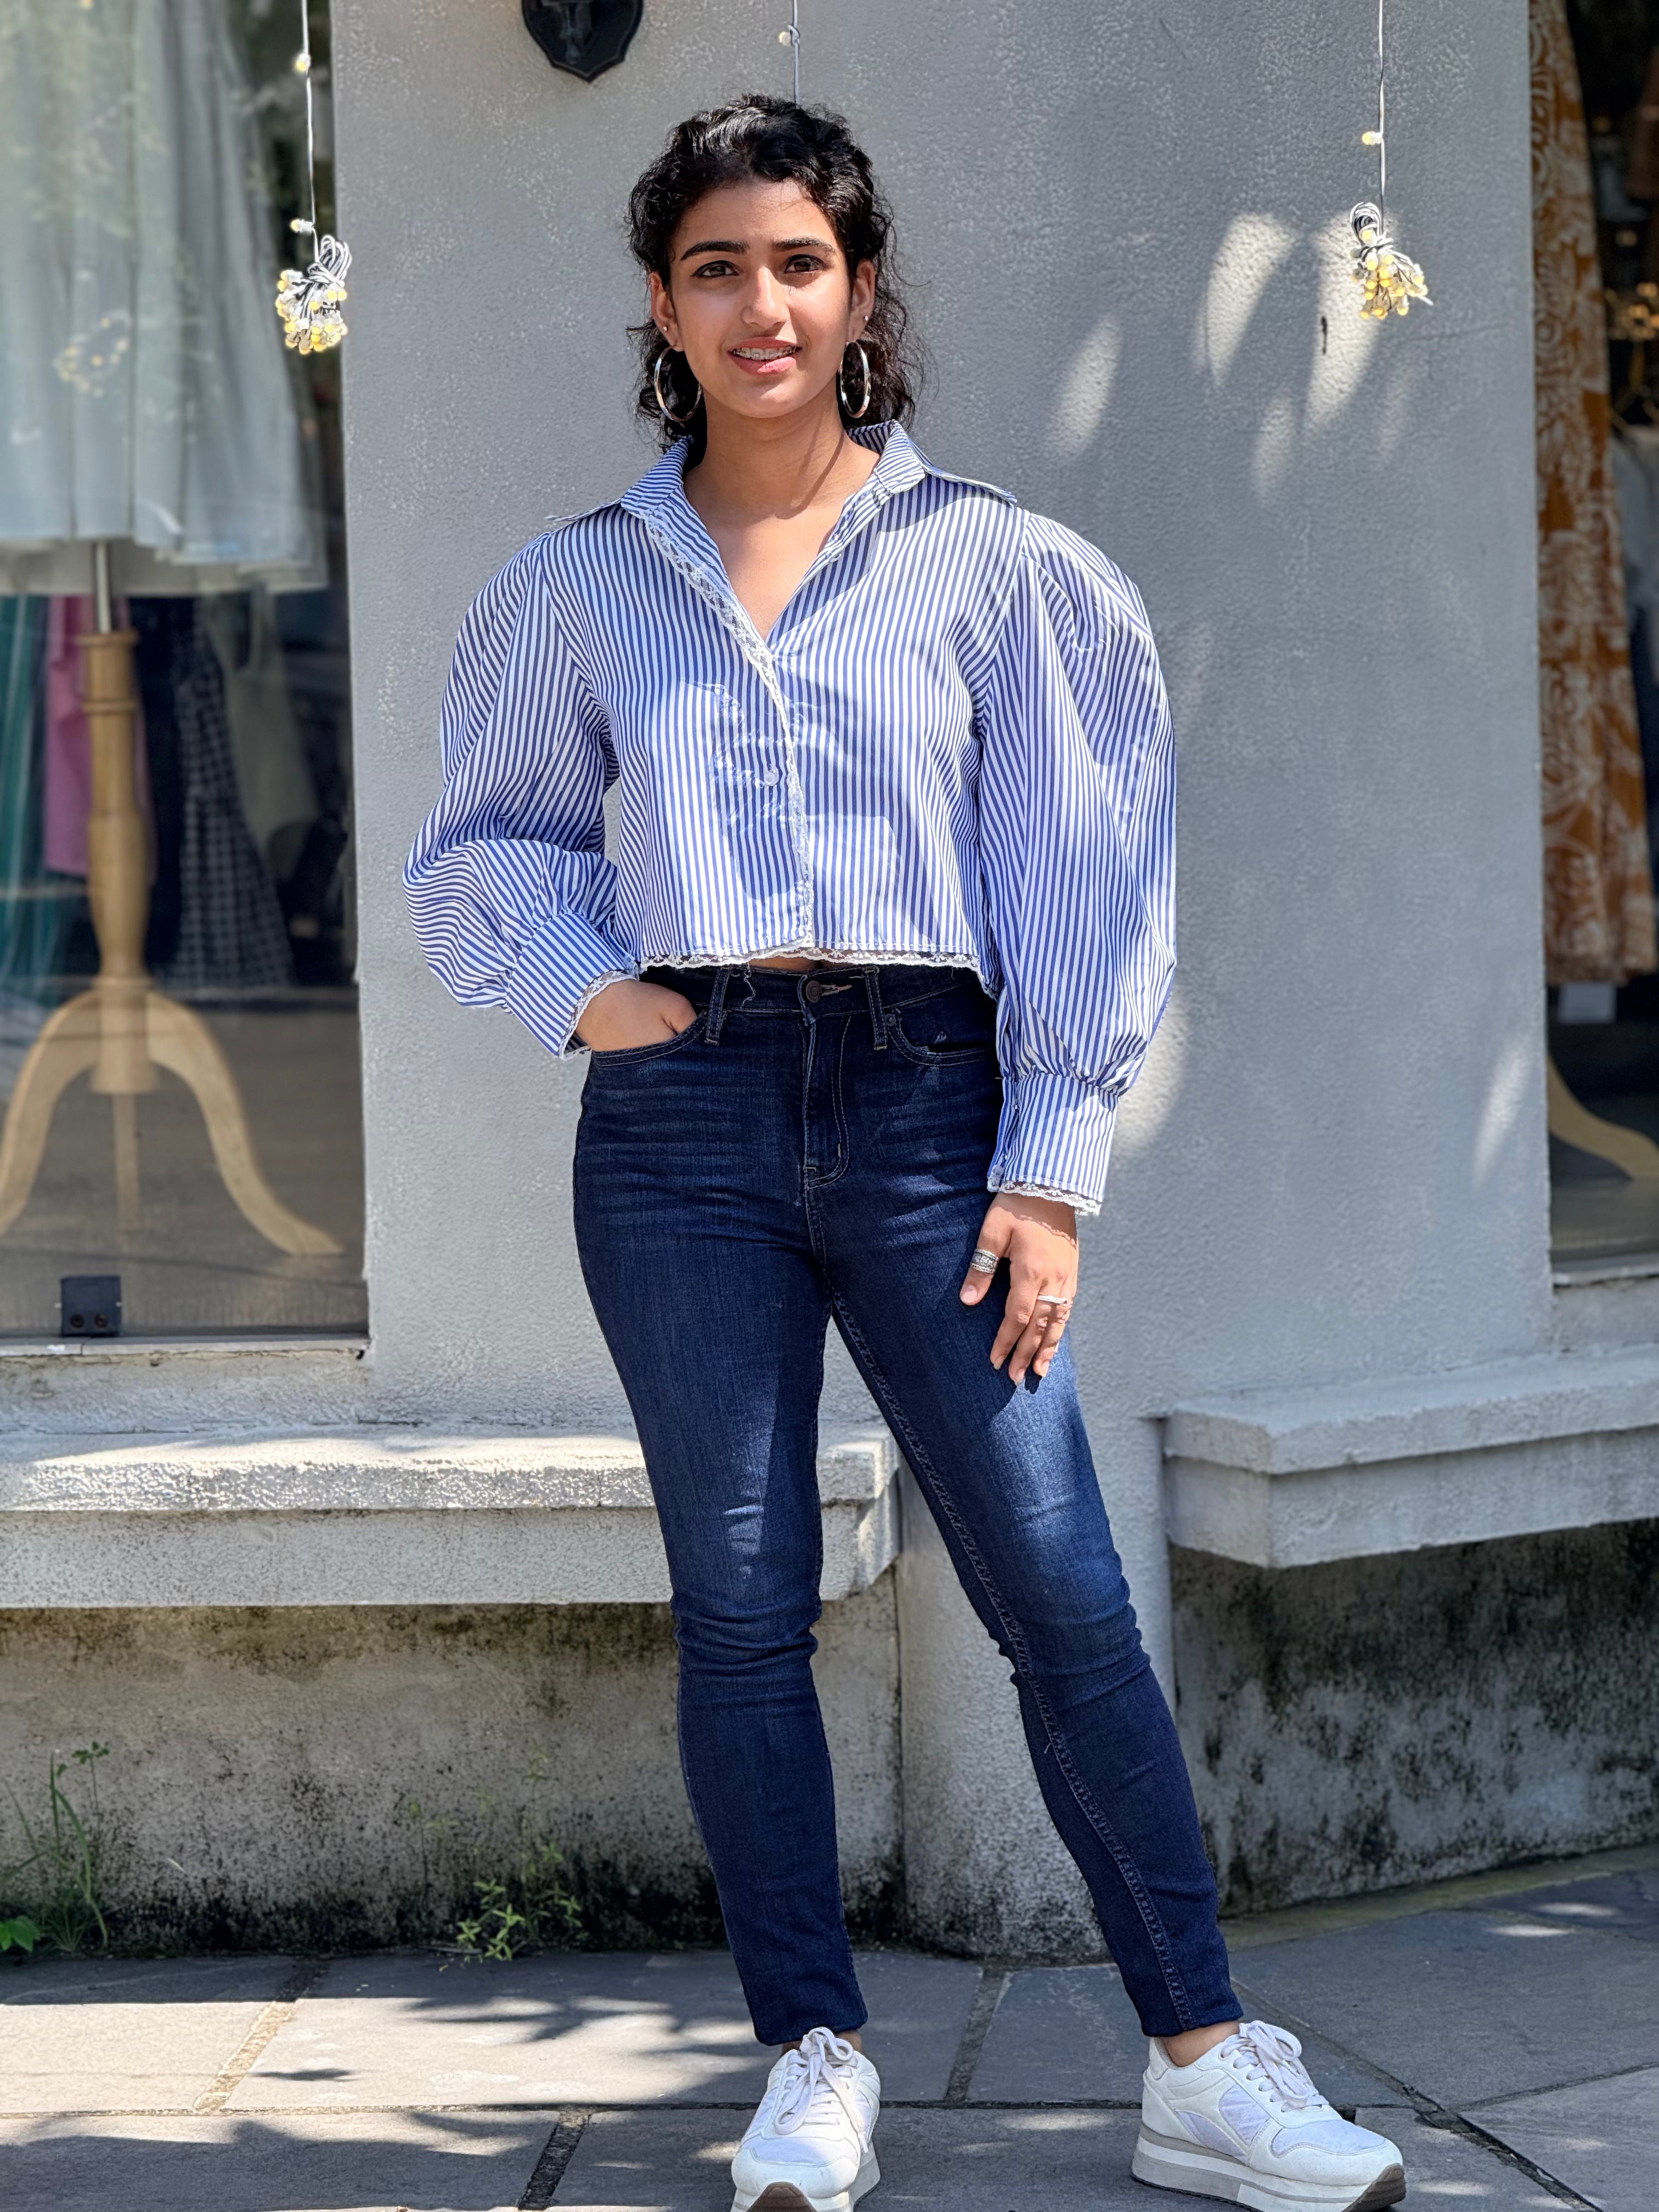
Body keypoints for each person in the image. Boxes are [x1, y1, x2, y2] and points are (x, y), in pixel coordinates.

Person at [404, 91, 1406, 2212]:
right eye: (716, 269)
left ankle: (1205, 2062)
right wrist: (600, 995)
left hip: (939, 1105)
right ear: (662, 306)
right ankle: (812, 2060)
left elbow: (1083, 882)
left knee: (1060, 1588)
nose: (760, 304)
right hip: (682, 1130)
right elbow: (481, 845)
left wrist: (1048, 1170)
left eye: (800, 263)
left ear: (861, 294)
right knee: (743, 1602)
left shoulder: (1001, 571)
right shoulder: (577, 587)